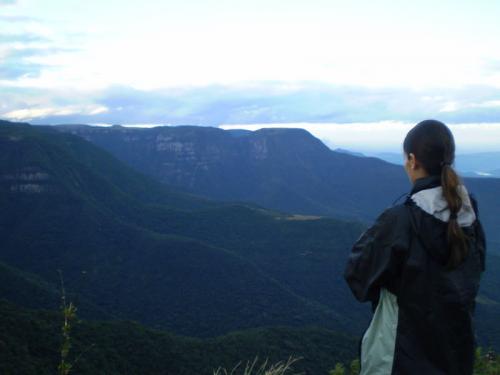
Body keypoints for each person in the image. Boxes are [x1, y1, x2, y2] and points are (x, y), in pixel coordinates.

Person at [344, 119, 486, 375]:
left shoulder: (400, 221)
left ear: (412, 160)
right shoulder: (470, 218)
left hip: (398, 358)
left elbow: (358, 280)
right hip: (456, 357)